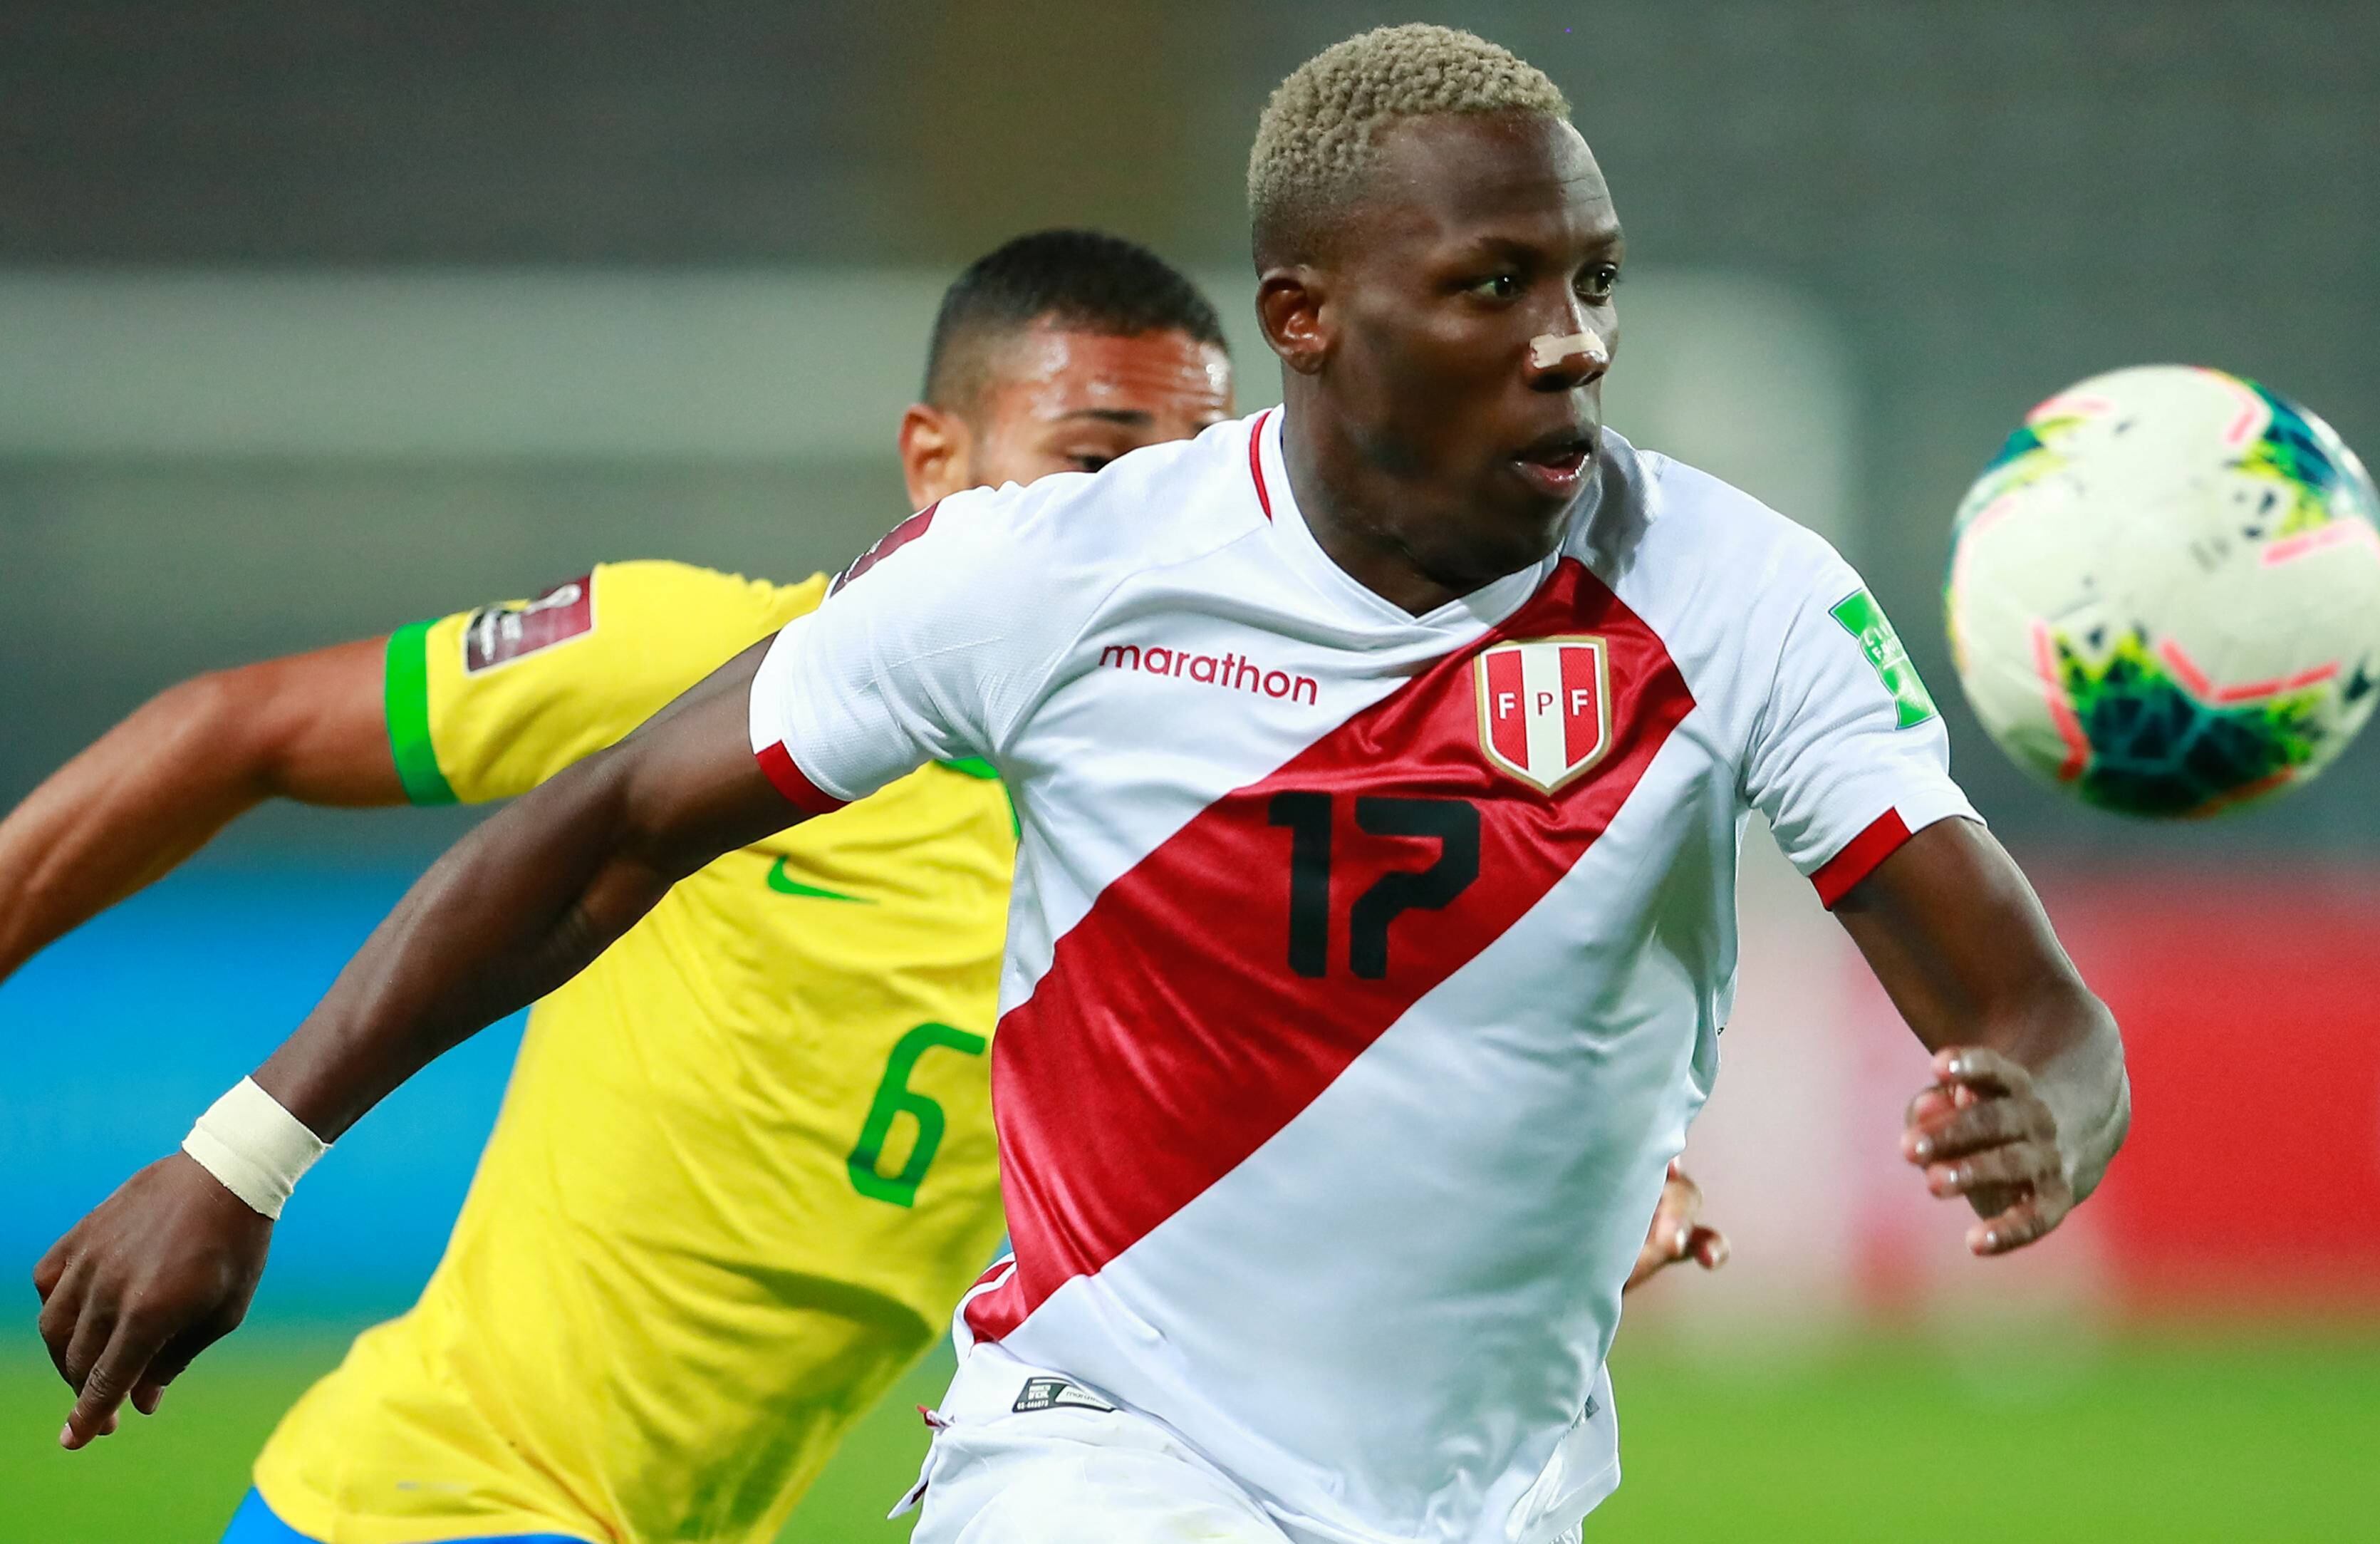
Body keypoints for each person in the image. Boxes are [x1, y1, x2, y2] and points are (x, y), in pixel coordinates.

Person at [35, 25, 2119, 1544]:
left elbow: (2007, 996)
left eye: (1591, 285)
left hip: (1480, 1495)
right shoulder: (995, 603)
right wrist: (245, 1158)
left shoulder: (1731, 595)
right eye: (1498, 287)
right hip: (1002, 1473)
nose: (1571, 341)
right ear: (1311, 324)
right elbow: (563, 826)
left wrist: (2030, 1093)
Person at [4, 231, 1240, 1543]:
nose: (1138, 533)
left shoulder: (1198, 830)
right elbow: (233, 729)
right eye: (1096, 464)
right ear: (936, 462)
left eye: (1188, 485)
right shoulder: (711, 670)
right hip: (437, 1504)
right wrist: (237, 1161)